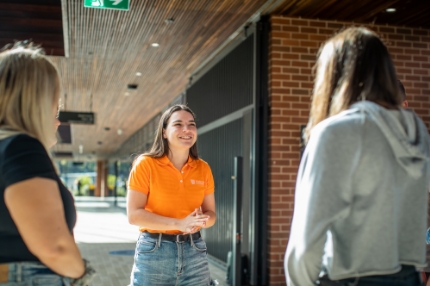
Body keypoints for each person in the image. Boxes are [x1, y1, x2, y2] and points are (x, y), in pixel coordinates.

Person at [284, 27, 430, 286]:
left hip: (349, 279)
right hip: (409, 277)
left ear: (334, 76)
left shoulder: (336, 132)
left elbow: (305, 246)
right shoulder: (417, 130)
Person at [0, 44, 94, 285]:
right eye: (55, 103)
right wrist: (80, 274)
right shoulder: (20, 148)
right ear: (37, 101)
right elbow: (56, 249)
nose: (57, 118)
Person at [127, 104, 217, 286]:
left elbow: (211, 215)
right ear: (164, 133)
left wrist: (200, 220)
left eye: (191, 124)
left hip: (195, 251)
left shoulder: (203, 168)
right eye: (178, 124)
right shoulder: (146, 164)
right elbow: (134, 215)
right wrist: (179, 224)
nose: (187, 129)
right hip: (154, 251)